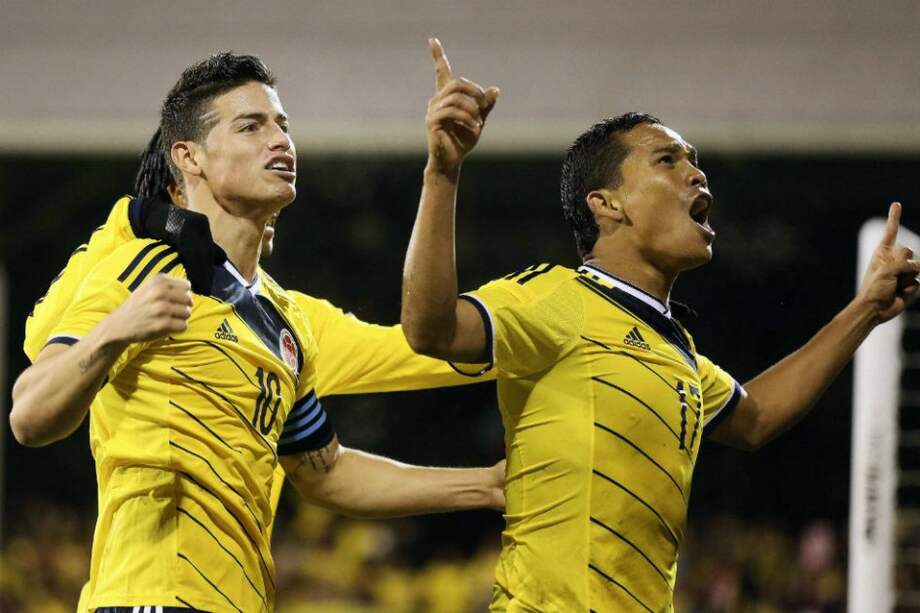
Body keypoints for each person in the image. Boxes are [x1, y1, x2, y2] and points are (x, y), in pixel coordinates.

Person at [400, 39, 920, 612]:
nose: (697, 174)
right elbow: (431, 330)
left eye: (694, 160)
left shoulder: (676, 349)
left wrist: (867, 308)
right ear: (607, 204)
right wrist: (443, 172)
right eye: (668, 160)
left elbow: (756, 418)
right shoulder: (559, 296)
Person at [11, 52, 502, 613]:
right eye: (251, 126)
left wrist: (487, 485)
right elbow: (29, 415)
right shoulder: (147, 267)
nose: (280, 140)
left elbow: (328, 472)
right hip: (147, 596)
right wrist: (114, 332)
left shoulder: (284, 320)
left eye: (282, 125)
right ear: (188, 158)